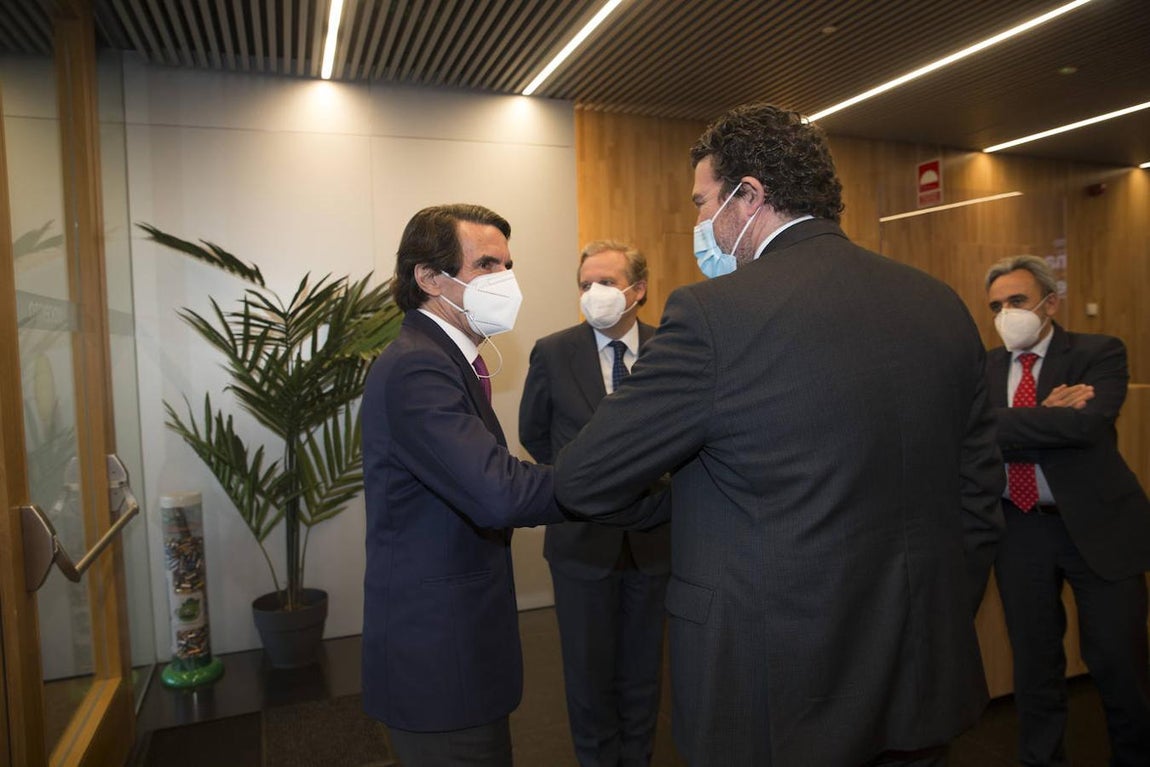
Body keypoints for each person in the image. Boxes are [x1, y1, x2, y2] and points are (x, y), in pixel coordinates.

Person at [552, 103, 1005, 767]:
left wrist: (670, 492)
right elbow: (978, 492)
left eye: (704, 202)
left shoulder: (712, 315)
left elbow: (584, 474)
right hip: (918, 670)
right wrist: (932, 608)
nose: (700, 223)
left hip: (775, 686)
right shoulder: (940, 303)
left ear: (750, 196)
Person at [360, 203, 565, 767]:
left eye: (508, 265)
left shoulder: (448, 359)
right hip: (437, 662)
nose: (505, 281)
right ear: (427, 277)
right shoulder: (417, 367)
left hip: (457, 650)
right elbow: (497, 491)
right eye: (487, 264)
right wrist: (604, 479)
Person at [984, 254, 1150, 767]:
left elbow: (1087, 427)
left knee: (1119, 665)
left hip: (1100, 529)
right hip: (1019, 530)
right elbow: (968, 436)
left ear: (1050, 302)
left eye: (1017, 300)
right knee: (1035, 670)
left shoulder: (1099, 352)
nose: (1006, 312)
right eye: (995, 305)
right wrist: (1041, 416)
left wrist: (1004, 423)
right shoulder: (985, 367)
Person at [519, 240, 672, 767]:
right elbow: (535, 435)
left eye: (606, 282)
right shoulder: (553, 350)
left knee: (644, 675)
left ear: (638, 290)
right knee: (587, 678)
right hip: (582, 545)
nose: (594, 293)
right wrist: (585, 485)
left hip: (654, 543)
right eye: (586, 284)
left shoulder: (670, 348)